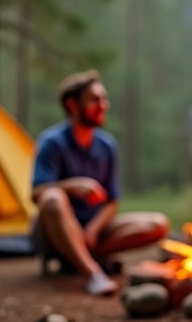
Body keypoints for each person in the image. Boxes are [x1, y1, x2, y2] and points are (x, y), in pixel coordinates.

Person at [32, 70, 169, 295]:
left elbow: (112, 202)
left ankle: (78, 255)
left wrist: (94, 229)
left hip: (93, 231)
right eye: (95, 100)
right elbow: (37, 193)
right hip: (53, 233)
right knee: (53, 198)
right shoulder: (52, 142)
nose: (104, 105)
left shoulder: (107, 146)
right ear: (72, 104)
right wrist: (73, 185)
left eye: (103, 99)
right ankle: (92, 273)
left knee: (158, 224)